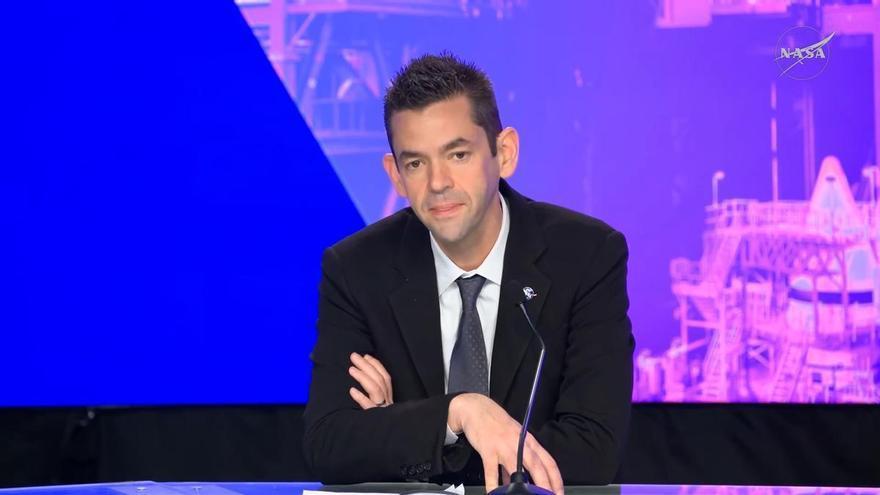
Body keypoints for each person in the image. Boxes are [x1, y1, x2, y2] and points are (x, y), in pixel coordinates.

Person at [303, 54, 634, 494]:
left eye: (458, 154)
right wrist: (458, 412)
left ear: (504, 153)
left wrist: (402, 429)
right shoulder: (357, 269)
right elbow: (329, 445)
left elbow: (593, 451)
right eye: (416, 163)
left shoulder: (587, 256)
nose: (438, 182)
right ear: (395, 175)